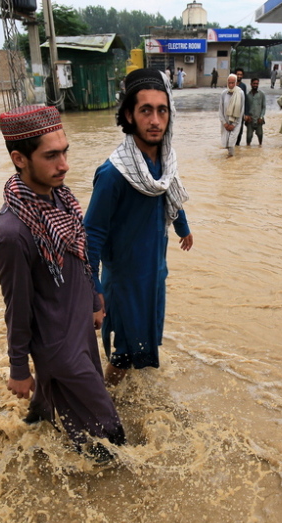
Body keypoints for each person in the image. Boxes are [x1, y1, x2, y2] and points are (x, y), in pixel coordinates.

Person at [0, 105, 125, 462]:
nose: (64, 164)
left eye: (65, 152)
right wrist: (19, 369)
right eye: (51, 156)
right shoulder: (13, 234)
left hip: (79, 330)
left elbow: (81, 256)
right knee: (110, 439)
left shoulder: (60, 199)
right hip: (59, 348)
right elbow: (16, 307)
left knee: (49, 418)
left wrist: (94, 300)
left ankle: (33, 436)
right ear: (20, 159)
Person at [84, 69, 194, 387]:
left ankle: (138, 398)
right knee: (122, 352)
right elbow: (91, 235)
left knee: (147, 338)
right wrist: (93, 290)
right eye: (146, 110)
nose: (155, 120)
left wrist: (183, 227)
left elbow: (170, 194)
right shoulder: (113, 174)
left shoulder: (164, 163)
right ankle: (109, 402)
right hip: (125, 282)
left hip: (155, 273)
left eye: (162, 110)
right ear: (129, 115)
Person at [219, 73, 245, 156]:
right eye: (229, 83)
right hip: (225, 123)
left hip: (236, 123)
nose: (230, 85)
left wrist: (234, 124)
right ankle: (230, 158)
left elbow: (241, 110)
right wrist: (224, 123)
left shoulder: (240, 93)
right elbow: (220, 109)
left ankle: (231, 158)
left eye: (232, 83)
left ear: (236, 83)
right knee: (226, 143)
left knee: (231, 144)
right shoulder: (224, 93)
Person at [245, 77, 266, 146]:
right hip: (250, 119)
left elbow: (263, 107)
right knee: (248, 137)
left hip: (258, 119)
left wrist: (261, 117)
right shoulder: (247, 95)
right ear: (251, 84)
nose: (255, 85)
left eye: (257, 84)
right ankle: (248, 149)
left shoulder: (261, 94)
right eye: (254, 83)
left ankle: (260, 147)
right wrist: (247, 116)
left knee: (260, 135)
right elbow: (245, 107)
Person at [234, 68, 248, 146]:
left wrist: (245, 113)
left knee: (239, 131)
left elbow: (245, 100)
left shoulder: (243, 86)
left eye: (241, 75)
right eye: (238, 74)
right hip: (231, 112)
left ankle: (237, 146)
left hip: (240, 112)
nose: (239, 76)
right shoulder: (231, 84)